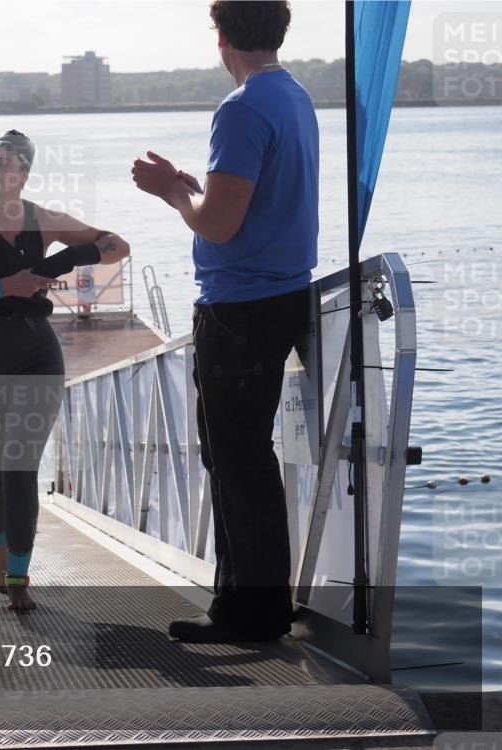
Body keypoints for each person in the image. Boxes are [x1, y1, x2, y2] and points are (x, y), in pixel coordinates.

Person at [132, 0, 317, 642]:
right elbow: (249, 204)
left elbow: (217, 225)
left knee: (236, 459)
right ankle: (250, 603)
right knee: (242, 456)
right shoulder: (294, 96)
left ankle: (251, 612)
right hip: (279, 296)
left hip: (240, 307)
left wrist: (171, 192)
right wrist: (193, 186)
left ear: (221, 38)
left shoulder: (241, 108)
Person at [0, 129, 130, 610]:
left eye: (3, 164)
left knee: (19, 466)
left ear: (23, 174)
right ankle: (3, 551)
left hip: (37, 354)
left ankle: (19, 578)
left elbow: (117, 245)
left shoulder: (45, 220)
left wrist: (60, 262)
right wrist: (7, 286)